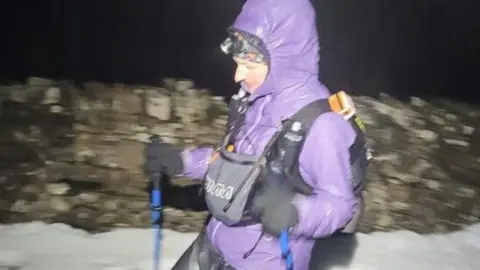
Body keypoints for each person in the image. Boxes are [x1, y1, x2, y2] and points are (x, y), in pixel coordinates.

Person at [146, 0, 369, 269]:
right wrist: (182, 161)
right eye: (237, 63)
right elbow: (231, 167)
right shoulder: (257, 101)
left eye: (248, 66)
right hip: (210, 247)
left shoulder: (322, 124)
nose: (238, 75)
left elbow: (340, 205)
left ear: (284, 59)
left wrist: (295, 212)